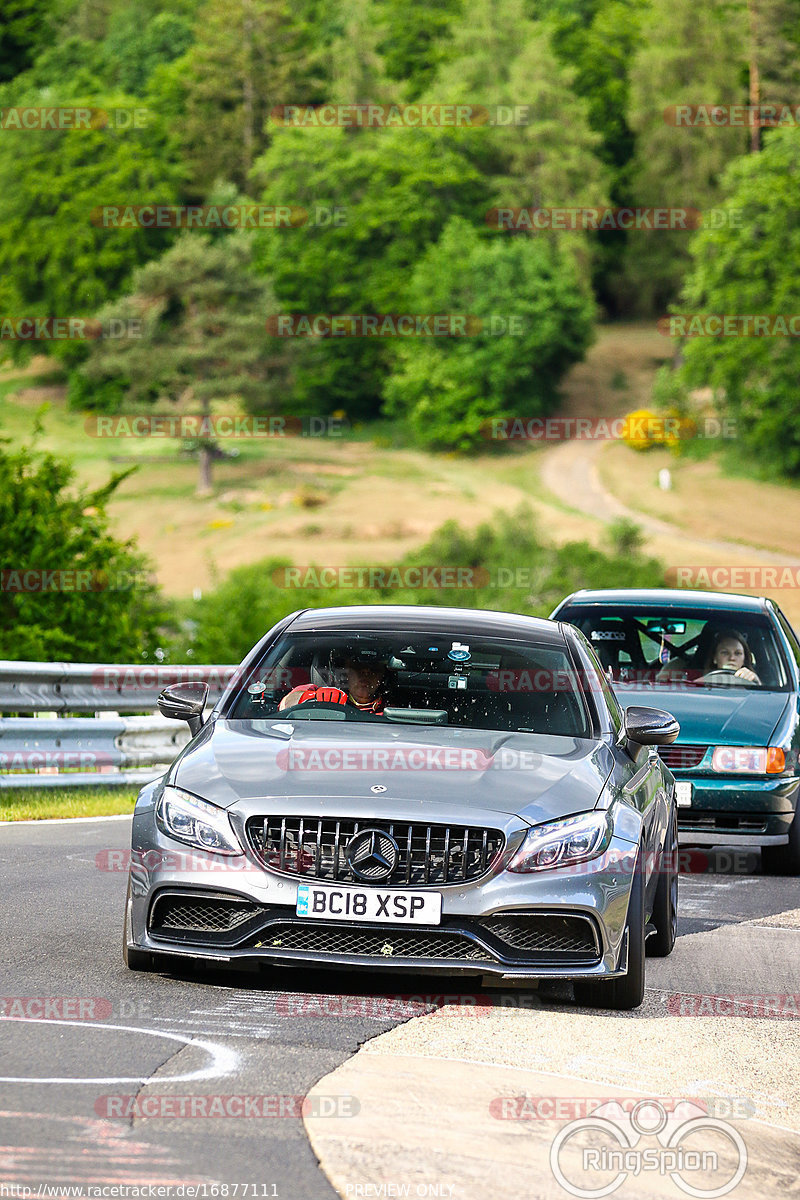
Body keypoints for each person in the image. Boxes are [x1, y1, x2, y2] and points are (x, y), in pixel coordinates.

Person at [278, 654, 387, 713]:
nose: (366, 673)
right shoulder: (314, 691)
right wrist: (312, 698)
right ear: (345, 672)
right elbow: (286, 704)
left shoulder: (394, 708)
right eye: (357, 666)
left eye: (374, 668)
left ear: (382, 674)